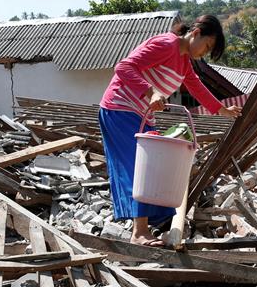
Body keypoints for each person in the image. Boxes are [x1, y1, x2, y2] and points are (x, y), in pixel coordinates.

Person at [99, 15, 242, 247]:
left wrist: (221, 110)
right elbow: (123, 66)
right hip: (119, 108)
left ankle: (153, 223)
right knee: (138, 168)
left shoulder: (184, 61)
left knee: (152, 168)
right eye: (206, 46)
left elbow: (197, 88)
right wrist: (151, 92)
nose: (204, 53)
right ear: (195, 33)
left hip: (141, 114)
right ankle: (140, 233)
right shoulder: (167, 44)